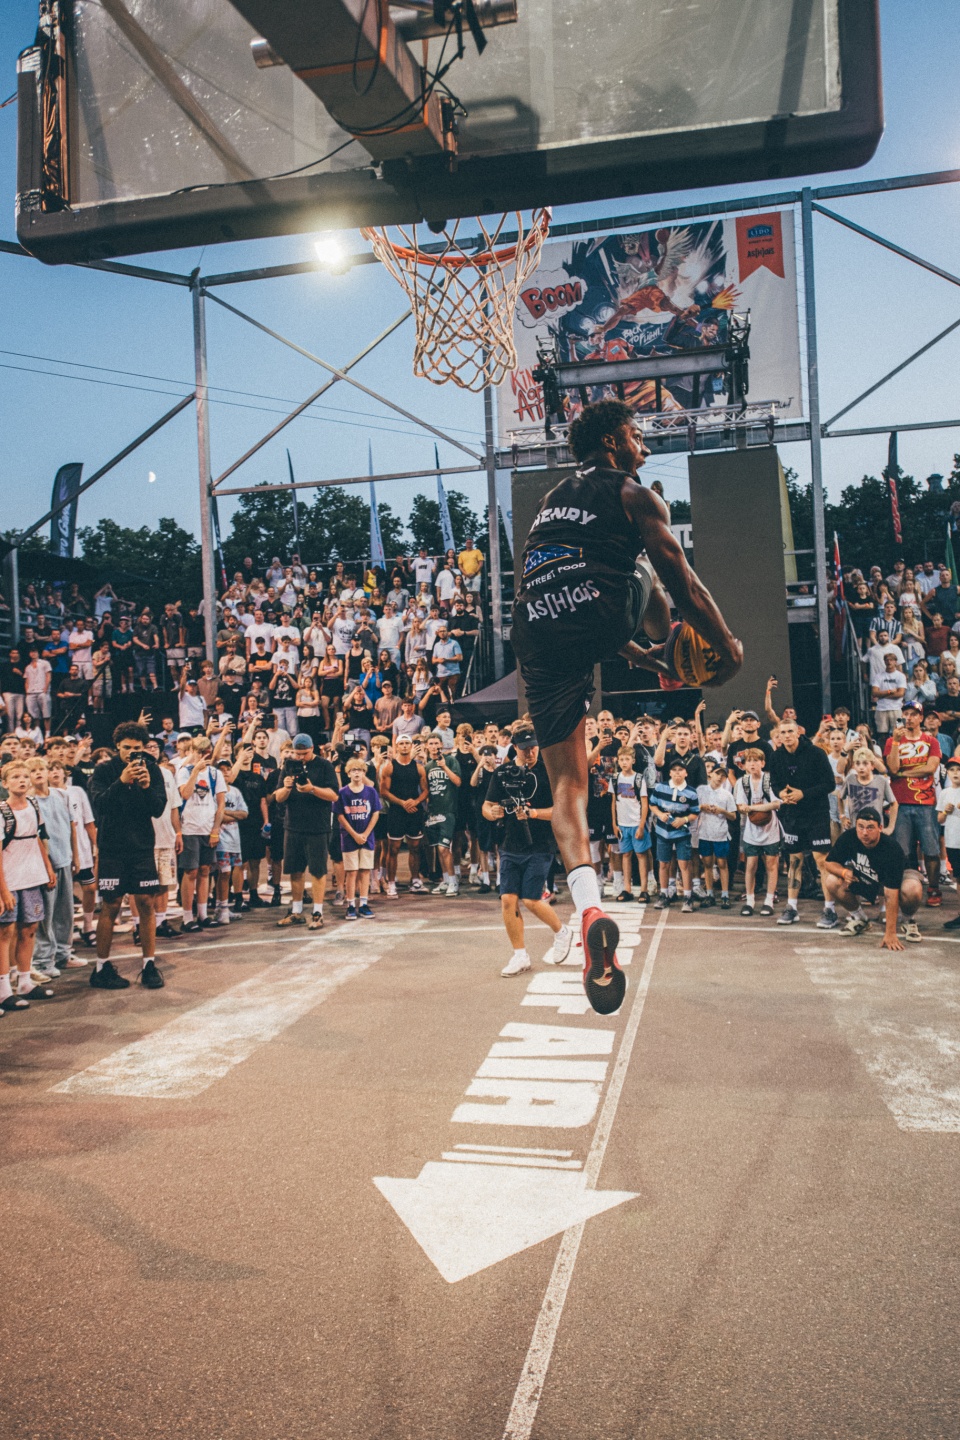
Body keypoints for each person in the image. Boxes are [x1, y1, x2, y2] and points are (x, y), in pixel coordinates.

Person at [511, 399, 741, 1012]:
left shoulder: (549, 501)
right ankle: (672, 645)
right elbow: (684, 580)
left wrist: (641, 660)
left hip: (535, 629)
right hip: (598, 607)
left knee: (567, 787)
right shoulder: (634, 493)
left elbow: (562, 589)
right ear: (613, 442)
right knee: (650, 573)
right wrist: (724, 646)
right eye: (637, 435)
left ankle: (589, 910)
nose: (644, 445)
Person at [481, 726, 573, 977]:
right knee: (508, 899)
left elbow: (561, 810)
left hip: (540, 844)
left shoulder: (548, 772)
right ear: (514, 748)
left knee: (531, 899)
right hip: (510, 843)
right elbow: (486, 806)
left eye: (533, 747)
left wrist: (533, 813)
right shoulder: (502, 773)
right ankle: (520, 955)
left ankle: (562, 932)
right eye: (524, 748)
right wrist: (493, 813)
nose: (530, 752)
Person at [88, 722, 168, 989]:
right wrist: (122, 781)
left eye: (137, 748)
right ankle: (101, 968)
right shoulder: (104, 770)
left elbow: (158, 809)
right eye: (126, 748)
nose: (131, 753)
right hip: (112, 847)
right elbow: (100, 805)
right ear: (117, 747)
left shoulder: (152, 769)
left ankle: (149, 965)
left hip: (142, 846)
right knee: (110, 904)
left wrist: (146, 787)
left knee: (146, 903)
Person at [0, 758, 57, 1010]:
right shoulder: (2, 812)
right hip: (9, 879)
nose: (22, 781)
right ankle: (3, 990)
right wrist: (3, 890)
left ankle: (25, 982)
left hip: (31, 876)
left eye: (25, 776)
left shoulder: (34, 805)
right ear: (5, 783)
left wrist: (47, 867)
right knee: (5, 932)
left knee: (30, 928)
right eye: (15, 777)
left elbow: (36, 838)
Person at [768, 719, 836, 925]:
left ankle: (830, 909)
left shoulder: (816, 753)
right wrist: (781, 794)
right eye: (783, 732)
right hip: (792, 814)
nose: (787, 735)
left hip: (816, 813)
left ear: (798, 732)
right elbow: (775, 784)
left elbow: (830, 784)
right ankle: (792, 907)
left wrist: (803, 794)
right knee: (794, 861)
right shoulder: (776, 756)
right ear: (779, 736)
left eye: (790, 731)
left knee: (821, 861)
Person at [821, 807, 921, 946]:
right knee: (832, 881)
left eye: (870, 828)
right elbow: (829, 863)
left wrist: (890, 933)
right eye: (860, 827)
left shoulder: (891, 848)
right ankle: (860, 919)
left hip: (895, 881)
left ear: (880, 828)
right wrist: (844, 872)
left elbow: (891, 895)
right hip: (865, 876)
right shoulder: (848, 837)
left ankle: (908, 920)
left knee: (912, 888)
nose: (864, 832)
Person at [271, 733, 339, 929]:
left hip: (318, 827)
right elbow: (278, 797)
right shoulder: (288, 765)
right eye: (297, 753)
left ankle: (317, 913)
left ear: (312, 749)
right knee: (295, 870)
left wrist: (312, 789)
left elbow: (334, 795)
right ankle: (297, 911)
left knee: (318, 871)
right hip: (293, 826)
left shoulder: (324, 766)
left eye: (304, 753)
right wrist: (286, 788)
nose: (300, 757)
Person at [885, 700, 943, 907]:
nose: (908, 718)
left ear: (921, 718)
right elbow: (892, 768)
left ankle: (934, 887)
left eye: (913, 714)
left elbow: (930, 768)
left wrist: (903, 773)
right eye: (906, 714)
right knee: (902, 851)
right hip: (900, 802)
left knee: (931, 849)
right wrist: (896, 742)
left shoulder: (931, 741)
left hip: (926, 802)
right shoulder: (892, 741)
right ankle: (905, 887)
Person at [177, 736, 227, 934]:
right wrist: (195, 771)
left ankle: (203, 914)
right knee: (190, 872)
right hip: (189, 828)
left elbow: (221, 804)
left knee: (205, 871)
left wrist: (215, 829)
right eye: (199, 752)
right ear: (192, 751)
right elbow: (185, 794)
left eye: (206, 753)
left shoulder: (215, 774)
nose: (203, 756)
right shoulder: (184, 771)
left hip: (208, 828)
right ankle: (187, 917)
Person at [734, 749, 782, 917]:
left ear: (763, 763)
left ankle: (769, 900)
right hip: (751, 829)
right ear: (744, 765)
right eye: (749, 761)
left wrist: (753, 808)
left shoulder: (769, 780)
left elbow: (776, 804)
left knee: (771, 865)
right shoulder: (742, 782)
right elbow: (740, 806)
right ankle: (750, 900)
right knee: (750, 865)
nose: (752, 764)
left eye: (756, 760)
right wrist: (744, 808)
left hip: (770, 828)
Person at [334, 757, 382, 920]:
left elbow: (375, 813)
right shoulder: (343, 792)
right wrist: (354, 834)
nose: (357, 773)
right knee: (352, 871)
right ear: (348, 773)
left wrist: (366, 834)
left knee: (365, 870)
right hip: (349, 837)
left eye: (360, 770)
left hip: (367, 837)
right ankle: (350, 904)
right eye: (353, 770)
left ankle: (363, 903)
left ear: (364, 773)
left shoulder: (371, 792)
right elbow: (340, 815)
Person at [381, 733, 429, 896]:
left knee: (415, 847)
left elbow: (425, 791)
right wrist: (402, 803)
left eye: (406, 743)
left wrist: (415, 802)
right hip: (396, 811)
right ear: (397, 746)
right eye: (401, 743)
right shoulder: (390, 767)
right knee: (393, 849)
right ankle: (391, 883)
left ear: (411, 746)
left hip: (414, 811)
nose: (404, 746)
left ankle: (415, 880)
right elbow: (384, 791)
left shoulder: (419, 767)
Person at [423, 734, 462, 896]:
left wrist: (444, 767)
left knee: (444, 847)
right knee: (438, 849)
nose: (434, 746)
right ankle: (445, 881)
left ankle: (453, 882)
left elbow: (458, 782)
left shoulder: (451, 760)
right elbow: (425, 790)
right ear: (427, 746)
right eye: (431, 743)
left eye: (436, 743)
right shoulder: (427, 766)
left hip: (448, 810)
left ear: (441, 745)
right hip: (433, 811)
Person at [611, 745, 650, 903]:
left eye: (627, 759)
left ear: (633, 760)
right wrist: (614, 824)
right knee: (625, 855)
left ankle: (644, 890)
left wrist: (641, 825)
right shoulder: (615, 778)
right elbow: (613, 802)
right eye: (621, 759)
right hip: (622, 824)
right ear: (618, 761)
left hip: (636, 823)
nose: (624, 762)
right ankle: (627, 889)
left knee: (641, 855)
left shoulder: (639, 779)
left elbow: (645, 803)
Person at [696, 758, 736, 908]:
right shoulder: (701, 790)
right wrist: (702, 807)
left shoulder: (727, 795)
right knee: (707, 863)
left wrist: (721, 811)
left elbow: (733, 816)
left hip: (720, 834)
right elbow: (693, 808)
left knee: (722, 863)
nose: (720, 777)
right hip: (704, 833)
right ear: (711, 774)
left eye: (723, 775)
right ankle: (709, 894)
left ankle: (725, 895)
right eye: (718, 773)